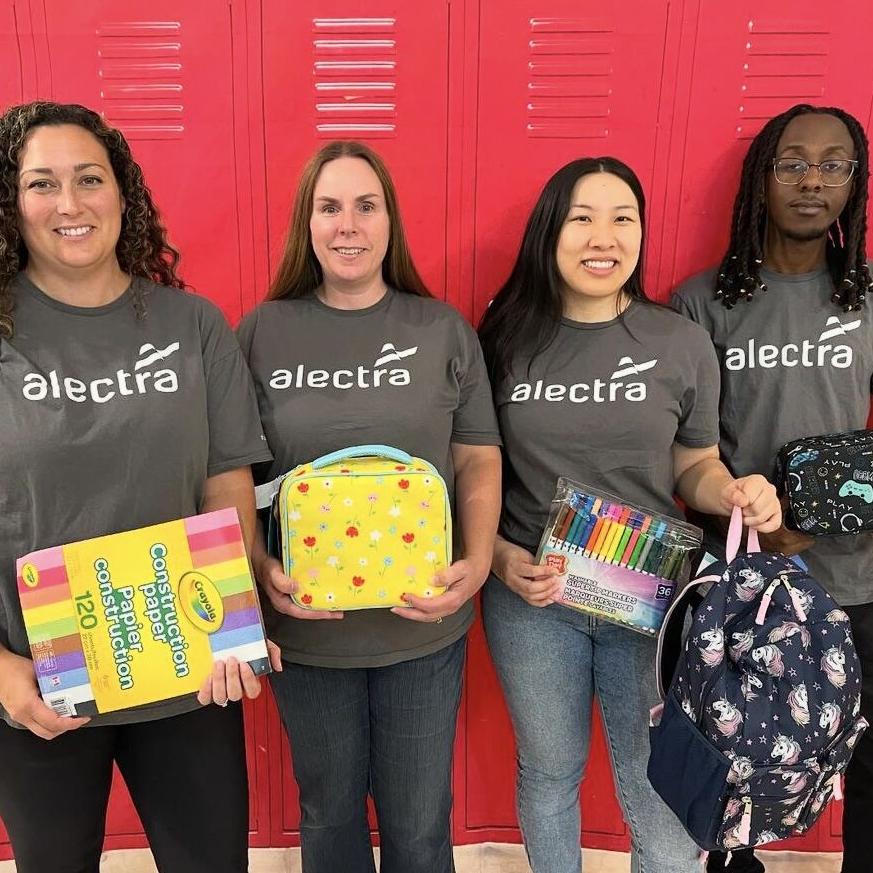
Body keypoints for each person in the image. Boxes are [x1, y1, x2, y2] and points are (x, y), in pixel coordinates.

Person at [477, 156, 782, 873]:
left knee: (658, 778)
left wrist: (733, 491)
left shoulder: (677, 341)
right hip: (533, 595)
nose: (602, 236)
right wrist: (495, 554)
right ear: (550, 231)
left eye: (622, 218)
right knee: (549, 772)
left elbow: (693, 464)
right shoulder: (502, 341)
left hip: (650, 600)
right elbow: (472, 472)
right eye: (581, 217)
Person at [0, 102, 276, 873]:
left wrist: (234, 620)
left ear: (123, 193)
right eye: (41, 183)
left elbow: (226, 480)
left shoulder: (193, 325)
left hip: (185, 673)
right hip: (38, 678)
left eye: (90, 179)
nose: (69, 203)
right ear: (11, 202)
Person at [236, 140, 502, 873]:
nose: (347, 224)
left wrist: (476, 560)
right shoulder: (261, 331)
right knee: (328, 817)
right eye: (329, 206)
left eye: (365, 204)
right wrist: (258, 567)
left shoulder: (441, 329)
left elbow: (476, 454)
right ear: (307, 222)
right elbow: (228, 472)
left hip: (423, 626)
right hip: (310, 633)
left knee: (419, 826)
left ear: (390, 220)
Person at [672, 104, 873, 873]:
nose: (812, 180)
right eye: (792, 162)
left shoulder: (862, 299)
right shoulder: (700, 303)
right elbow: (681, 450)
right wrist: (760, 525)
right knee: (731, 764)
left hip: (852, 579)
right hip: (743, 585)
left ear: (854, 185)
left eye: (833, 164)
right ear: (761, 178)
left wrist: (822, 512)